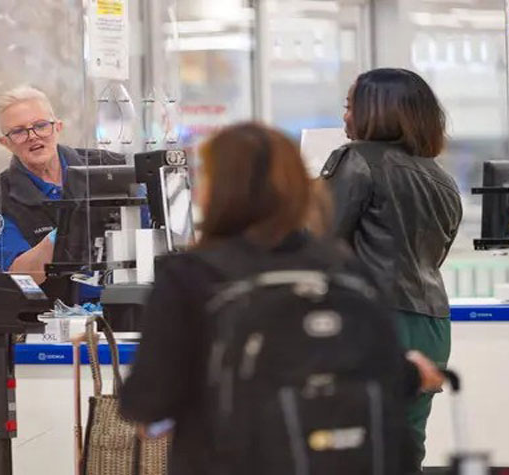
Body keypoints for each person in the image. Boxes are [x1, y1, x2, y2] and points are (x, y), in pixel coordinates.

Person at [119, 122, 442, 475]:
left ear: (214, 190)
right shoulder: (344, 268)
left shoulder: (190, 276)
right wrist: (415, 373)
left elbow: (147, 401)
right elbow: (385, 374)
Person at [321, 68, 463, 471]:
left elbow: (319, 242)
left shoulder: (356, 159)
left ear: (376, 111)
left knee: (351, 446)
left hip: (374, 319)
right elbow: (436, 254)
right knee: (404, 447)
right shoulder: (441, 179)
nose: (345, 116)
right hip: (432, 323)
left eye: (351, 106)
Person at [0, 86, 122, 301]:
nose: (33, 136)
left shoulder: (110, 167)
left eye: (40, 126)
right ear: (5, 143)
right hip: (55, 314)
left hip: (129, 303)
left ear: (58, 127)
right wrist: (61, 235)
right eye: (18, 132)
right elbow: (17, 275)